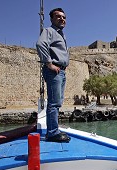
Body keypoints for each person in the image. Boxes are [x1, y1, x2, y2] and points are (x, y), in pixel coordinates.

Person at [36, 8, 70, 142]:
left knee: (58, 102)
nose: (62, 19)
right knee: (54, 103)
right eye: (58, 17)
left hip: (61, 71)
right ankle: (52, 133)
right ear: (51, 19)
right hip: (54, 71)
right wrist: (49, 63)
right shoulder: (49, 31)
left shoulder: (61, 34)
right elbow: (40, 44)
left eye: (64, 17)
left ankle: (53, 129)